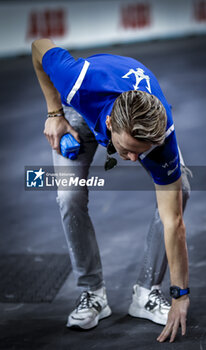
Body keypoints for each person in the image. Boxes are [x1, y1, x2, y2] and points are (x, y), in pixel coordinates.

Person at [32, 38, 191, 343]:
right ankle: (92, 294)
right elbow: (39, 47)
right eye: (128, 151)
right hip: (79, 113)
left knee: (179, 190)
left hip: (136, 122)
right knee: (68, 194)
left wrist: (181, 296)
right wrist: (54, 113)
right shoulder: (76, 80)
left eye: (140, 152)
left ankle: (146, 293)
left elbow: (174, 223)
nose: (132, 160)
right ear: (108, 125)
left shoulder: (160, 137)